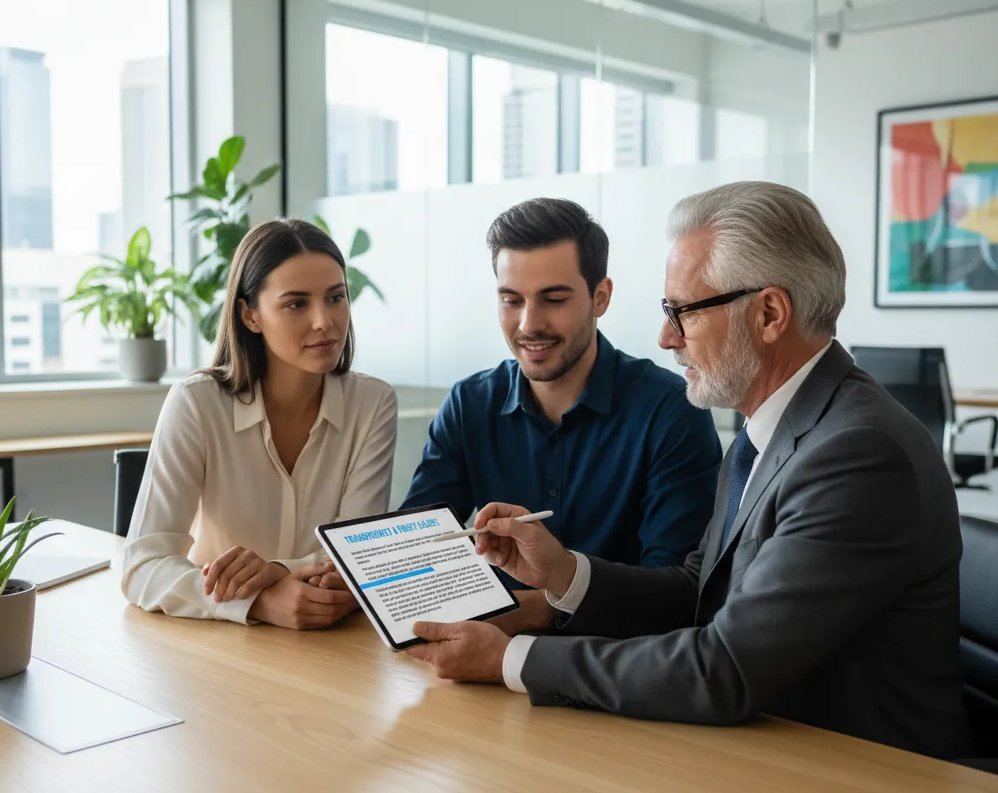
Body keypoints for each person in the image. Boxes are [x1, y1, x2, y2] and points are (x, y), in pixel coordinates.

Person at [406, 181, 971, 760]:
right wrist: (565, 573)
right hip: (763, 749)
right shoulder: (772, 428)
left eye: (683, 312)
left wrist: (509, 659)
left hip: (861, 777)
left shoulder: (858, 454)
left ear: (769, 313)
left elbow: (724, 667)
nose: (665, 337)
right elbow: (694, 592)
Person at [402, 197, 721, 609]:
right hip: (483, 639)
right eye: (512, 300)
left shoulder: (671, 410)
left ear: (600, 297)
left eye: (553, 299)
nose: (529, 324)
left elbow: (677, 593)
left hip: (615, 648)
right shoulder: (469, 403)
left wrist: (528, 612)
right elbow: (415, 546)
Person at [122, 218, 397, 629]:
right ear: (250, 315)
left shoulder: (373, 404)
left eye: (336, 297)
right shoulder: (196, 403)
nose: (325, 321)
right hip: (213, 639)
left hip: (329, 643)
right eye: (297, 304)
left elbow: (358, 555)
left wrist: (277, 571)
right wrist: (259, 601)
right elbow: (142, 568)